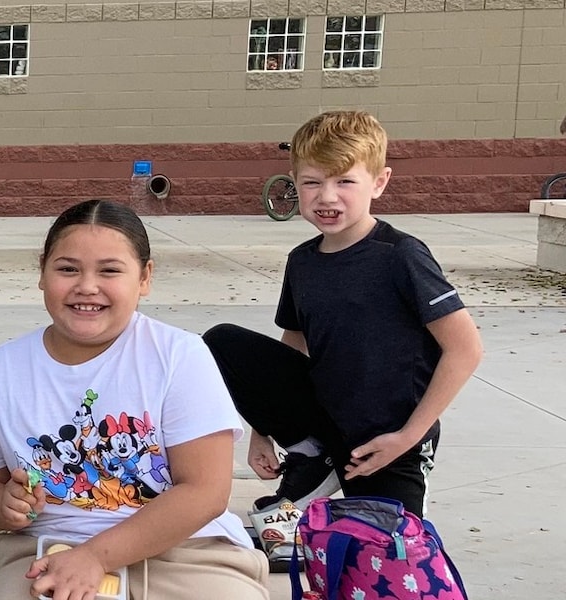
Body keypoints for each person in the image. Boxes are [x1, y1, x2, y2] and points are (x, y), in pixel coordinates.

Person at [0, 199, 268, 600]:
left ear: (145, 277)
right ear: (42, 272)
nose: (87, 287)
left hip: (187, 551)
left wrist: (96, 557)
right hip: (50, 552)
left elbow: (205, 491)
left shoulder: (179, 356)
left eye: (110, 270)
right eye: (67, 269)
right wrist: (4, 506)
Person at [202, 110, 483, 559]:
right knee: (222, 340)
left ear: (379, 181)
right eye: (312, 183)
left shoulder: (401, 256)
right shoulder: (303, 260)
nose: (326, 197)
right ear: (294, 182)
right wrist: (263, 429)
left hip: (386, 438)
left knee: (389, 558)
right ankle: (312, 462)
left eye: (344, 182)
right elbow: (293, 346)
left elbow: (465, 349)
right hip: (325, 421)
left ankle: (318, 500)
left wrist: (408, 437)